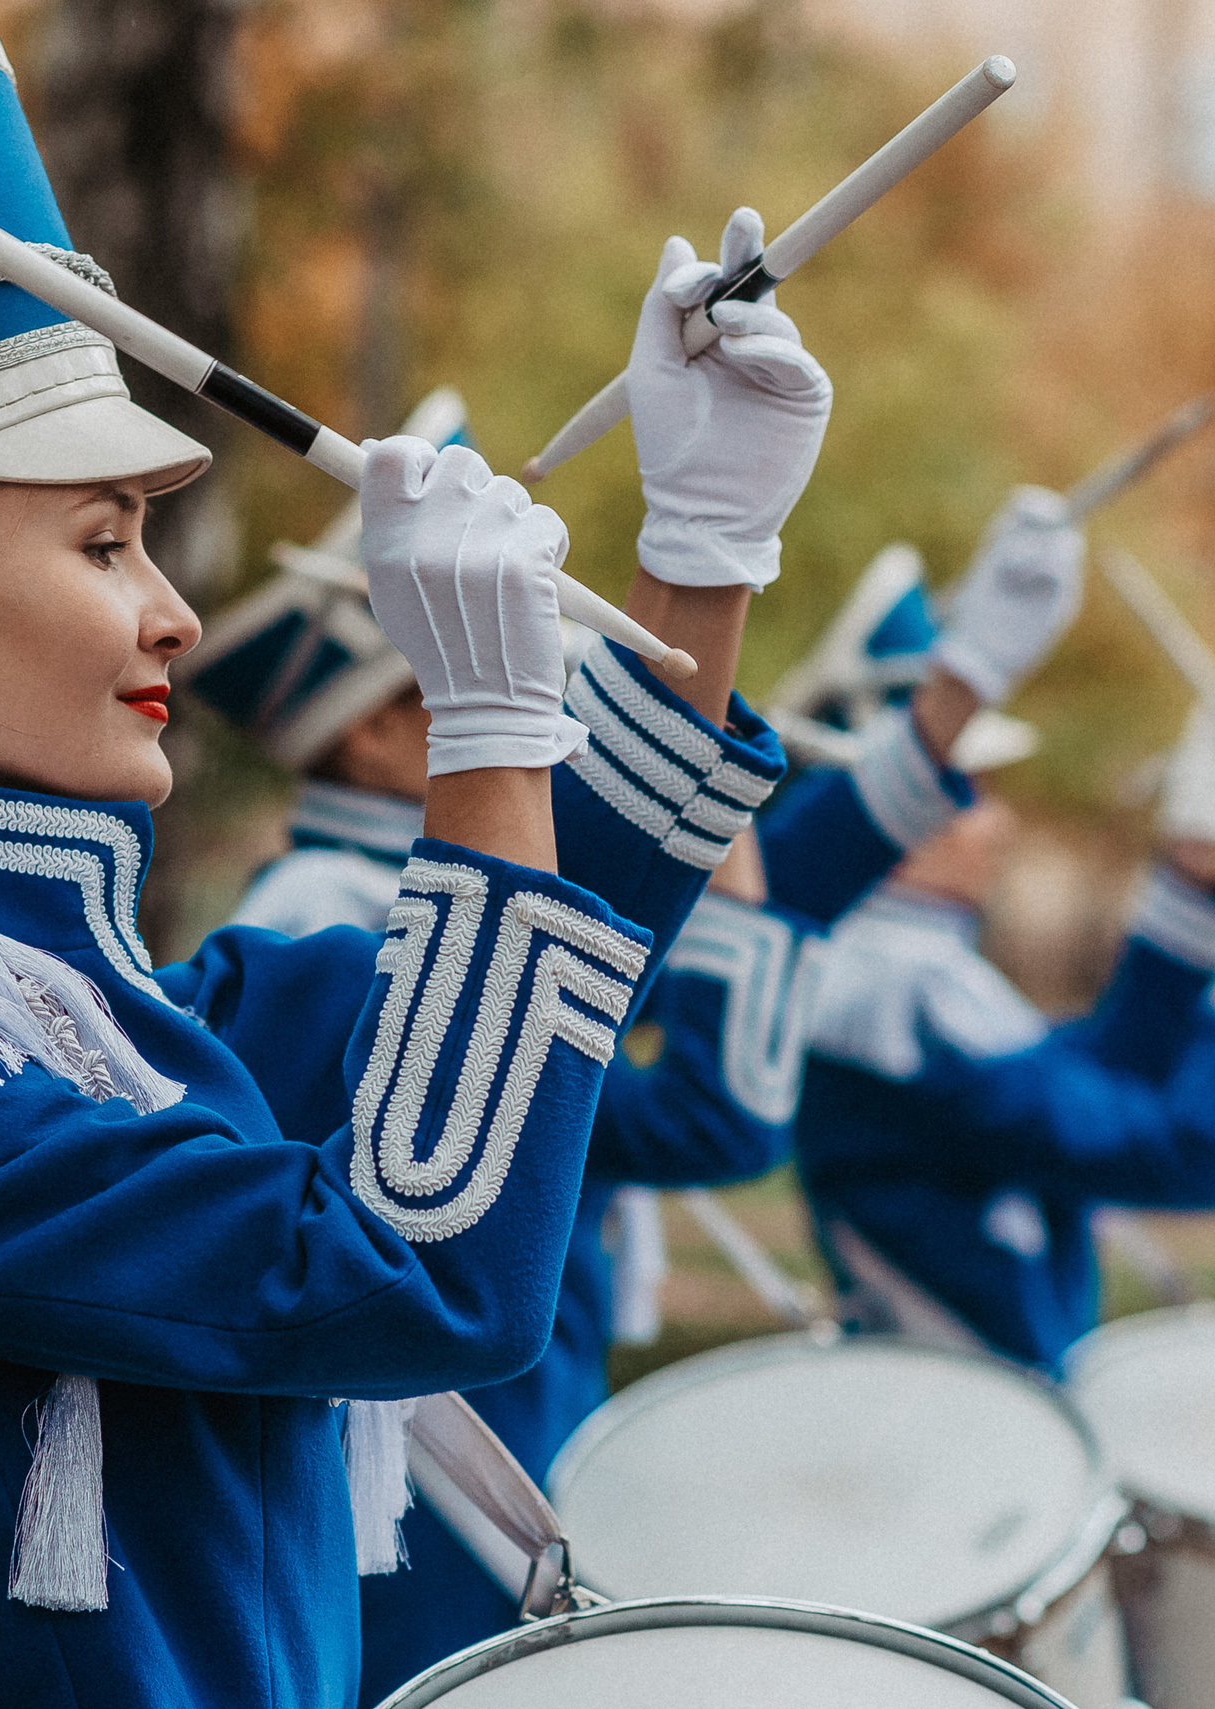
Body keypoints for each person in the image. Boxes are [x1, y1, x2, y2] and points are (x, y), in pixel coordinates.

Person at [0, 25, 781, 1707]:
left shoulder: (108, 999)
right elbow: (419, 1271)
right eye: (105, 540)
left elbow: (557, 953)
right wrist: (487, 730)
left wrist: (702, 556)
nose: (170, 607)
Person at [193, 348, 833, 1698]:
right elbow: (687, 1108)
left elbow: (548, 999)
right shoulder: (327, 897)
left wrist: (710, 551)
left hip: (516, 1425)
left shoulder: (399, 892)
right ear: (371, 743)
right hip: (432, 1486)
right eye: (443, 672)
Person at [765, 654, 1215, 1369]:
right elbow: (1187, 1153)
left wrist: (1193, 856)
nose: (1001, 822)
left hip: (952, 1403)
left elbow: (1105, 1074)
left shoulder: (886, 970)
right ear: (880, 805)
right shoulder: (899, 992)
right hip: (969, 1413)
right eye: (970, 790)